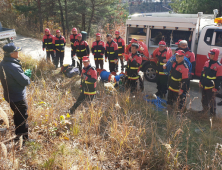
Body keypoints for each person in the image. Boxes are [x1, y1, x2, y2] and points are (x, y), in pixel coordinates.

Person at [0, 43, 30, 140]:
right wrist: (27, 77)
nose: (18, 52)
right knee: (22, 117)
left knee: (17, 115)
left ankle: (18, 135)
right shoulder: (13, 66)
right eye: (17, 51)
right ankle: (24, 139)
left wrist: (21, 74)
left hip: (9, 95)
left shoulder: (2, 63)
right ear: (12, 53)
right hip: (18, 97)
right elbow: (25, 81)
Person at [199, 48, 222, 116]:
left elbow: (219, 79)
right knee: (204, 99)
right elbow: (202, 73)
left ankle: (212, 114)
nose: (210, 55)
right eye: (210, 53)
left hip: (211, 87)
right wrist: (200, 81)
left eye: (212, 54)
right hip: (204, 85)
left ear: (216, 55)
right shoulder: (207, 63)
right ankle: (204, 110)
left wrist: (216, 88)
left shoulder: (219, 66)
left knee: (212, 101)